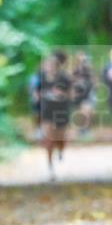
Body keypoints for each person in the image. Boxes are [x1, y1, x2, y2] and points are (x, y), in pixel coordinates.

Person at [39, 50, 72, 180]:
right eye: (48, 64)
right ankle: (50, 166)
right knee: (48, 139)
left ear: (57, 66)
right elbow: (35, 92)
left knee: (60, 138)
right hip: (47, 110)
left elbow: (71, 94)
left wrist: (61, 94)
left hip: (61, 110)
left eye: (52, 65)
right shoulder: (41, 77)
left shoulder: (64, 78)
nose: (49, 67)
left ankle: (61, 150)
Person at [71, 51, 95, 136]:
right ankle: (81, 129)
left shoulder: (89, 70)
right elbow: (71, 81)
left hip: (88, 94)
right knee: (80, 112)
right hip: (79, 95)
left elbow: (94, 82)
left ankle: (85, 129)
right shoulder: (74, 70)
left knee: (87, 111)